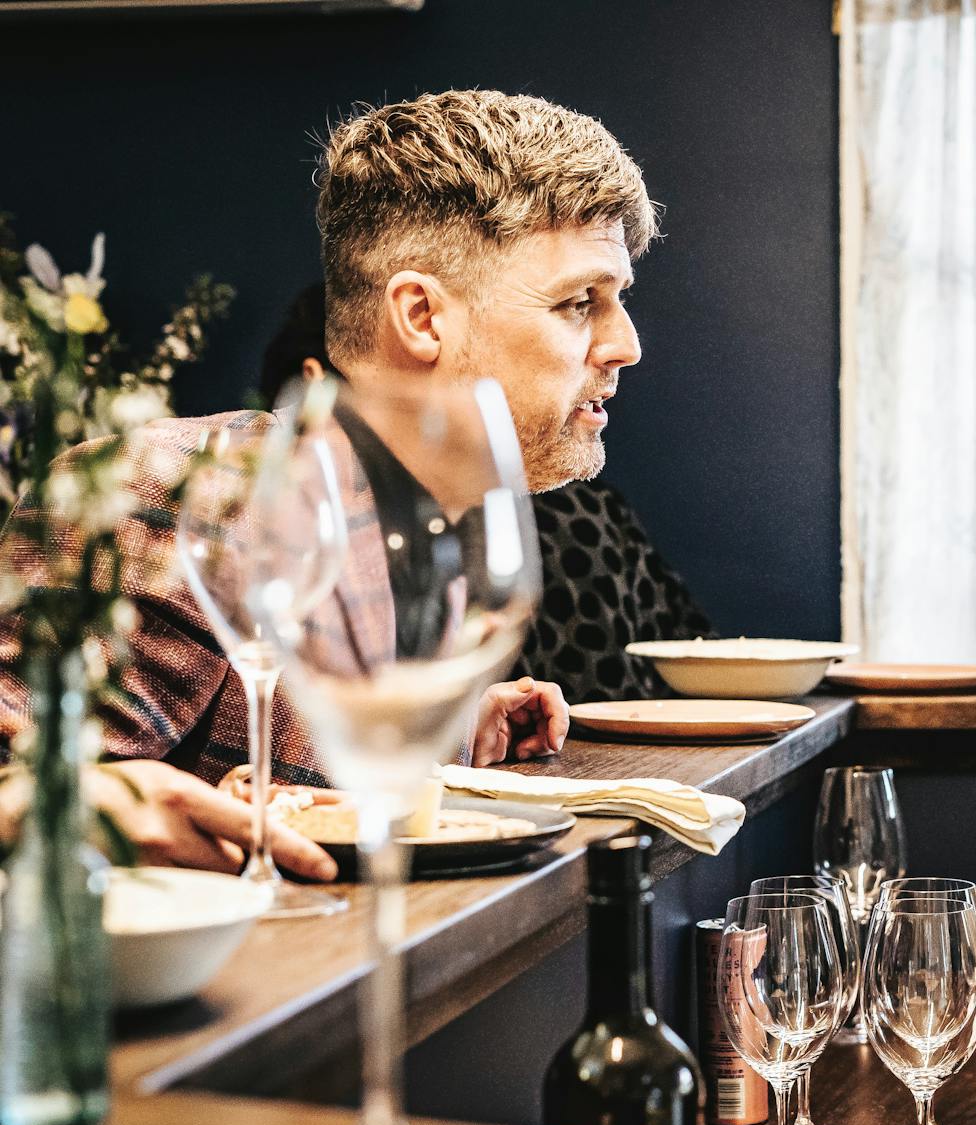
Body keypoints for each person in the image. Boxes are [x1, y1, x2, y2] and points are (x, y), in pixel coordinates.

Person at [0, 89, 654, 868]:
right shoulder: (179, 491)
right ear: (421, 316)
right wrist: (50, 802)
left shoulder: (433, 527)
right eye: (580, 302)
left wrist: (434, 729)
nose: (626, 345)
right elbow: (24, 791)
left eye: (617, 301)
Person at [261, 283, 715, 704]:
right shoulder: (246, 495)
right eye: (578, 302)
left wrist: (462, 734)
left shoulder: (488, 512)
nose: (629, 348)